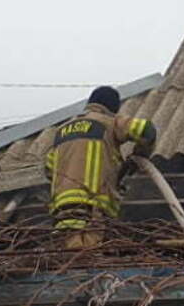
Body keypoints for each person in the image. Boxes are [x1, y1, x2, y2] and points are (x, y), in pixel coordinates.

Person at [43, 86, 157, 246]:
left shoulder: (61, 132)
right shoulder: (109, 122)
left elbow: (48, 168)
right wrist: (140, 154)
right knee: (88, 254)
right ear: (113, 108)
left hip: (62, 211)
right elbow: (147, 130)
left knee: (70, 253)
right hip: (92, 208)